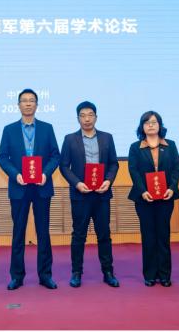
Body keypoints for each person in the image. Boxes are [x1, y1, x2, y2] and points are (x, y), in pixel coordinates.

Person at [0, 89, 61, 289]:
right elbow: (2, 157)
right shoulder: (9, 130)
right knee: (18, 233)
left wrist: (45, 174)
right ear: (18, 105)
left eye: (31, 100)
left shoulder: (47, 128)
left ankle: (45, 275)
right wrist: (16, 174)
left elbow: (55, 156)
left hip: (41, 186)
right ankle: (17, 276)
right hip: (19, 187)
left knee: (43, 232)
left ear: (37, 105)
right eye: (24, 101)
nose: (28, 104)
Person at [58, 101, 120, 288]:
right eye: (83, 115)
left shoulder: (107, 138)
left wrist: (108, 180)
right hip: (81, 194)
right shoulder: (70, 139)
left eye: (90, 115)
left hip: (102, 194)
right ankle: (76, 272)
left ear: (96, 117)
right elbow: (63, 166)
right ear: (78, 118)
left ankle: (108, 272)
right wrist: (77, 183)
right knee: (79, 235)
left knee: (104, 234)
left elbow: (114, 164)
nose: (87, 119)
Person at [126, 111, 179, 287]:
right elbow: (133, 170)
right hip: (144, 198)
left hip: (166, 196)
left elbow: (176, 168)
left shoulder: (170, 145)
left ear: (160, 125)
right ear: (142, 126)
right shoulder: (135, 147)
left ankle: (165, 275)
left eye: (154, 122)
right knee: (148, 236)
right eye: (147, 122)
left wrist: (172, 188)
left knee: (163, 236)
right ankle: (150, 274)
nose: (151, 125)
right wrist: (142, 191)